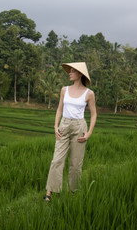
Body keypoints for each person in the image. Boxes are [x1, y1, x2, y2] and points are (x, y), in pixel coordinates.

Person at [44, 62, 97, 201]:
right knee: (56, 160)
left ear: (80, 74)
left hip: (79, 127)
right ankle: (49, 192)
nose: (70, 73)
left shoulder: (89, 93)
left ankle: (73, 192)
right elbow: (59, 109)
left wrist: (89, 133)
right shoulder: (64, 90)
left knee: (75, 163)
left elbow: (93, 114)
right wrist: (56, 126)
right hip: (64, 125)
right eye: (70, 71)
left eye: (73, 71)